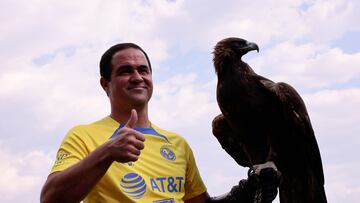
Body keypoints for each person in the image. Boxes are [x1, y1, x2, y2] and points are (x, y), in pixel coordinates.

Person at [40, 43, 280, 203]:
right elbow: (50, 198)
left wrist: (242, 196)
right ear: (105, 84)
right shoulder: (84, 136)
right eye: (125, 71)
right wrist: (108, 152)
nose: (137, 77)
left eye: (143, 70)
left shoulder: (177, 144)